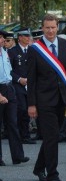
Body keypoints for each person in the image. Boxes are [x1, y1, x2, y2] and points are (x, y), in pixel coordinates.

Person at [27, 14, 66, 181]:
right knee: (52, 137)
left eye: (53, 27)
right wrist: (31, 104)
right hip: (43, 101)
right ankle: (52, 176)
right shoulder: (35, 49)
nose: (50, 31)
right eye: (47, 27)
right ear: (42, 28)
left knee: (50, 137)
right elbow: (31, 79)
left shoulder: (65, 45)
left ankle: (39, 167)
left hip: (62, 98)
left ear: (58, 27)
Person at [0, 30, 30, 166]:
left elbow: (9, 71)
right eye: (1, 38)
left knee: (13, 122)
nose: (3, 40)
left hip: (9, 88)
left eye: (4, 38)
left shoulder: (5, 52)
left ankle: (18, 156)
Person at [8, 28, 36, 144]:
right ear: (19, 37)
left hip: (31, 85)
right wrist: (19, 79)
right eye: (25, 36)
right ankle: (23, 135)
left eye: (28, 36)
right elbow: (9, 70)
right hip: (18, 85)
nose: (28, 38)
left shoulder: (32, 51)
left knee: (30, 110)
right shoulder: (12, 51)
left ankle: (27, 134)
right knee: (22, 110)